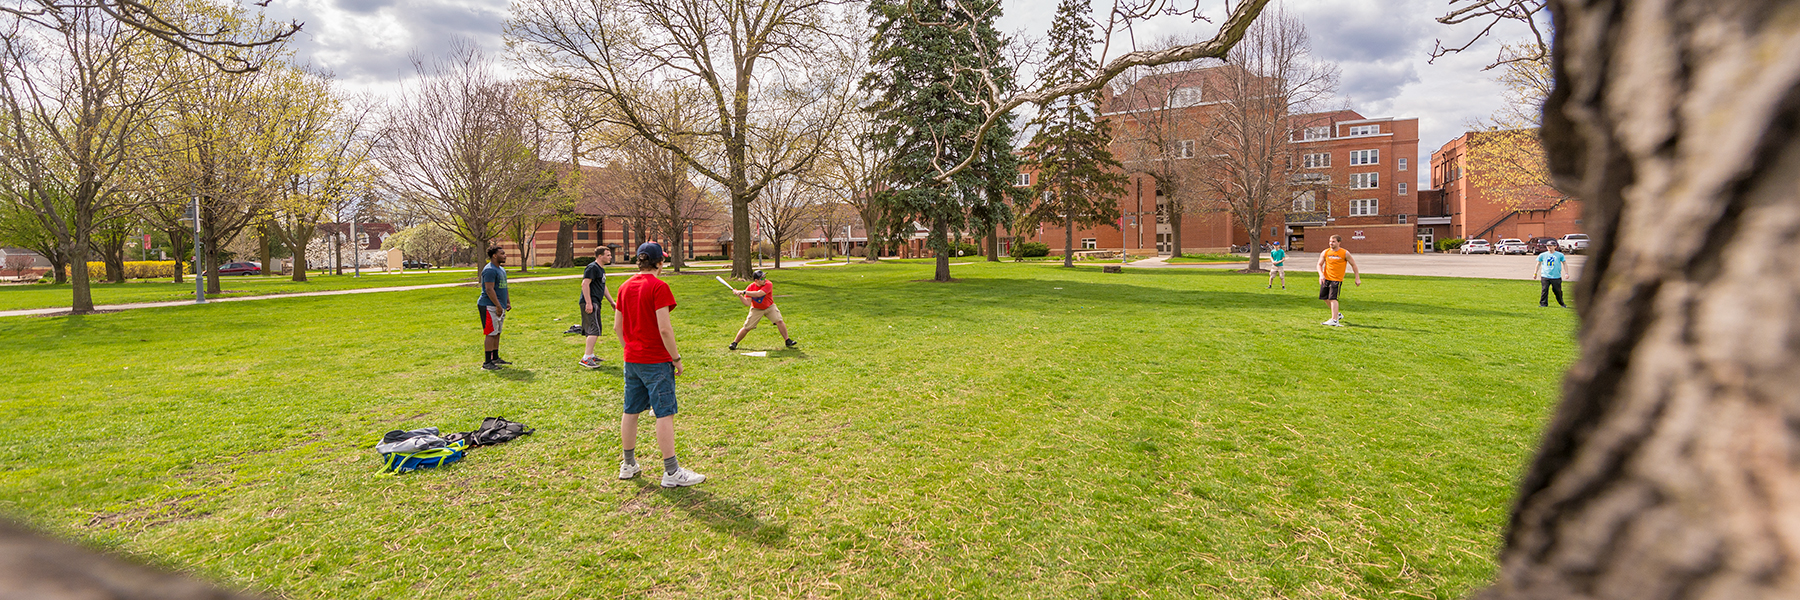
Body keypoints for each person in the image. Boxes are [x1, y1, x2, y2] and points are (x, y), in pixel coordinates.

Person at [614, 242, 705, 487]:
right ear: (659, 263)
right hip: (656, 361)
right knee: (665, 413)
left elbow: (617, 327)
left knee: (630, 411)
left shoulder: (624, 287)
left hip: (632, 360)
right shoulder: (659, 286)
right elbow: (665, 328)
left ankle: (628, 464)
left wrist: (630, 347)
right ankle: (672, 472)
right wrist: (676, 358)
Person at [728, 269, 797, 351]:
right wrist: (739, 295)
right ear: (756, 280)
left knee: (779, 321)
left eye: (765, 277)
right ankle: (734, 343)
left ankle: (787, 340)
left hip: (769, 307)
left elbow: (759, 293)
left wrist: (743, 292)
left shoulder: (768, 284)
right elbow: (747, 303)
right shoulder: (750, 287)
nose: (764, 279)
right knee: (747, 327)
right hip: (756, 309)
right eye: (761, 278)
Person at [578, 246, 616, 368]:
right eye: (608, 255)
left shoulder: (601, 269)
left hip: (596, 302)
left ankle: (591, 355)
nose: (610, 257)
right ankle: (586, 358)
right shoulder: (592, 267)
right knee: (594, 329)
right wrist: (589, 303)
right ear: (600, 256)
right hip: (590, 302)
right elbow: (585, 284)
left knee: (595, 328)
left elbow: (603, 287)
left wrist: (612, 302)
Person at [478, 246, 511, 370]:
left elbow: (504, 287)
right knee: (490, 333)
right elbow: (489, 289)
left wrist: (507, 302)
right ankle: (487, 363)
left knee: (497, 332)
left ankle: (495, 358)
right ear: (494, 256)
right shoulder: (489, 270)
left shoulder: (501, 270)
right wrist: (497, 305)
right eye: (502, 253)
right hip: (489, 305)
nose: (505, 255)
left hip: (499, 305)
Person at [1315, 235, 1360, 326]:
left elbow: (1354, 265)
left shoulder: (1345, 253)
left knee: (1333, 298)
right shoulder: (1325, 252)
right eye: (1330, 241)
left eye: (1333, 241)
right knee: (1324, 297)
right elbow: (1319, 265)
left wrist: (1357, 278)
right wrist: (1321, 275)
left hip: (1336, 279)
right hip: (1326, 278)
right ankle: (1337, 314)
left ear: (1339, 242)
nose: (1331, 243)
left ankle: (1334, 320)